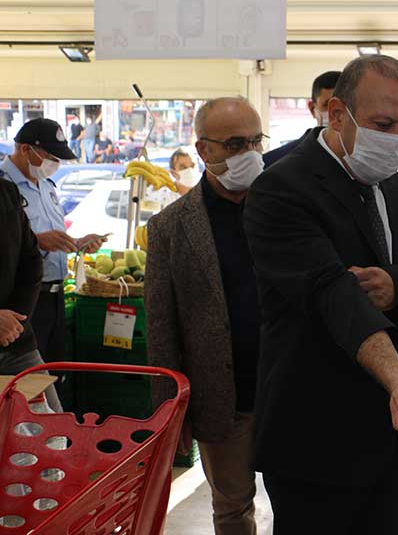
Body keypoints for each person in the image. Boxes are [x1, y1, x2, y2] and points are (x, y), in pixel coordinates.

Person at [243, 55, 398, 535]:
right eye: (383, 124)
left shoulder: (396, 190)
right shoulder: (281, 188)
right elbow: (330, 293)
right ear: (337, 114)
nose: (397, 139)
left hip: (392, 434)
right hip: (316, 436)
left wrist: (397, 286)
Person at [146, 98, 267, 535]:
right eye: (235, 143)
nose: (249, 153)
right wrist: (169, 411)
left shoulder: (286, 209)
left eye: (255, 140)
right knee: (233, 506)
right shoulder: (171, 228)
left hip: (289, 388)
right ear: (204, 150)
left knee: (301, 496)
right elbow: (162, 328)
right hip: (223, 398)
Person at [0, 119, 106, 374]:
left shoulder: (46, 186)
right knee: (26, 386)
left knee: (54, 374)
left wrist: (76, 243)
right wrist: (38, 240)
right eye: (49, 156)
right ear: (25, 150)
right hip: (20, 305)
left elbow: (48, 240)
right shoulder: (5, 188)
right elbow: (16, 245)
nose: (53, 164)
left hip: (54, 294)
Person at [0, 178, 63, 413]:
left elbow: (31, 260)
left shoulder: (6, 192)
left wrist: (15, 321)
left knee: (55, 431)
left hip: (18, 343)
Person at [263, 70, 341, 168]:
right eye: (327, 105)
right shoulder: (275, 162)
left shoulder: (363, 162)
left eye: (344, 106)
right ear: (312, 109)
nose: (336, 114)